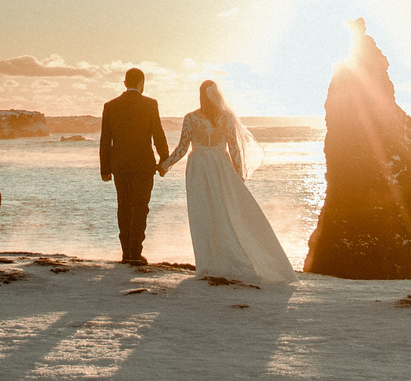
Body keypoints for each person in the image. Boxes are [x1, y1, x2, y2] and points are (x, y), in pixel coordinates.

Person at [162, 80, 297, 285]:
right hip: (221, 168)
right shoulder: (226, 118)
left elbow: (182, 148)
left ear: (201, 95)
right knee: (225, 212)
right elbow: (234, 149)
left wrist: (164, 165)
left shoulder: (190, 118)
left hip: (199, 168)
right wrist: (239, 176)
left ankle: (209, 264)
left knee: (203, 214)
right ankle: (225, 259)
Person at [99, 67, 168, 265]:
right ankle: (135, 251)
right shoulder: (150, 104)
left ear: (125, 83)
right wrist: (164, 159)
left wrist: (105, 169)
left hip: (119, 165)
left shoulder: (110, 106)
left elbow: (106, 140)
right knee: (140, 207)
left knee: (123, 206)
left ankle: (126, 252)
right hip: (144, 165)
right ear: (141, 83)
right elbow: (158, 134)